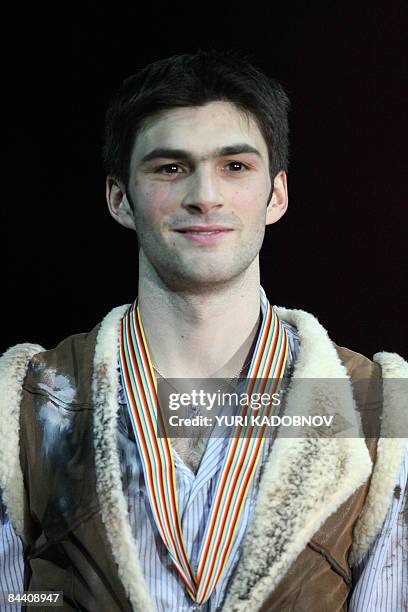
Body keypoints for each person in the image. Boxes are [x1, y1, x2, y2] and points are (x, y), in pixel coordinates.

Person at [0, 50, 407, 612]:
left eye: (235, 166)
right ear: (120, 198)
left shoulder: (375, 404)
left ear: (277, 194)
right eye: (170, 168)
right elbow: (17, 595)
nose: (205, 195)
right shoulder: (24, 397)